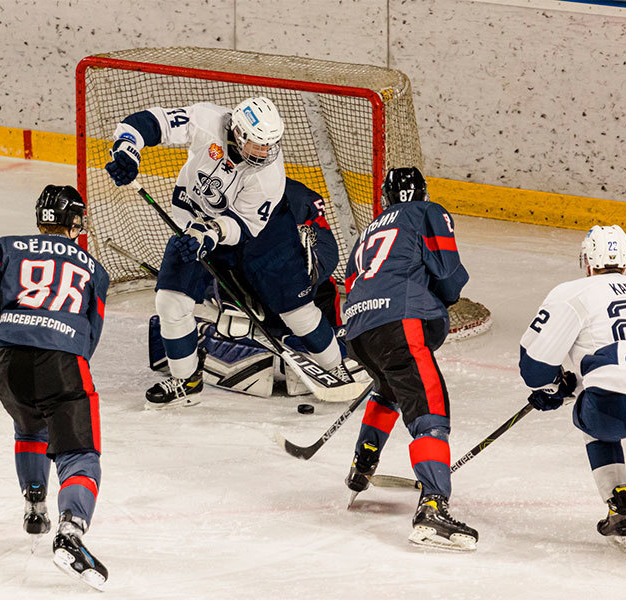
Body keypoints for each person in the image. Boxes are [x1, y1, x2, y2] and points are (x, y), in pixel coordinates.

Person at [105, 97, 347, 408]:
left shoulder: (269, 175)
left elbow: (242, 226)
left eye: (271, 144)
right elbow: (154, 122)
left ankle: (335, 366)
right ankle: (186, 379)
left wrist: (209, 235)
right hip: (196, 227)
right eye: (259, 144)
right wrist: (127, 149)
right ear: (239, 132)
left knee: (297, 312)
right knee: (170, 301)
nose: (266, 152)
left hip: (265, 238)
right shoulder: (207, 119)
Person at [0, 185, 110, 590]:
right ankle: (71, 531)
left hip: (9, 365)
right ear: (75, 222)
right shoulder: (94, 268)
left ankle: (35, 505)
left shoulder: (7, 246)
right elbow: (90, 333)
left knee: (30, 425)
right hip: (64, 362)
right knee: (79, 453)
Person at [339, 167, 477, 551]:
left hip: (359, 330)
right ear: (423, 191)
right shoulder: (428, 211)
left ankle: (361, 465)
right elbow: (449, 276)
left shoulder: (367, 232)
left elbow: (349, 287)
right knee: (429, 406)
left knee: (388, 389)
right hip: (401, 321)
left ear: (385, 197)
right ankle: (433, 506)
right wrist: (442, 297)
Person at [519, 225, 626, 554]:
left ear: (587, 260)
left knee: (593, 414)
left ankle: (618, 508)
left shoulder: (574, 291)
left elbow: (534, 363)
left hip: (612, 403)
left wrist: (553, 388)